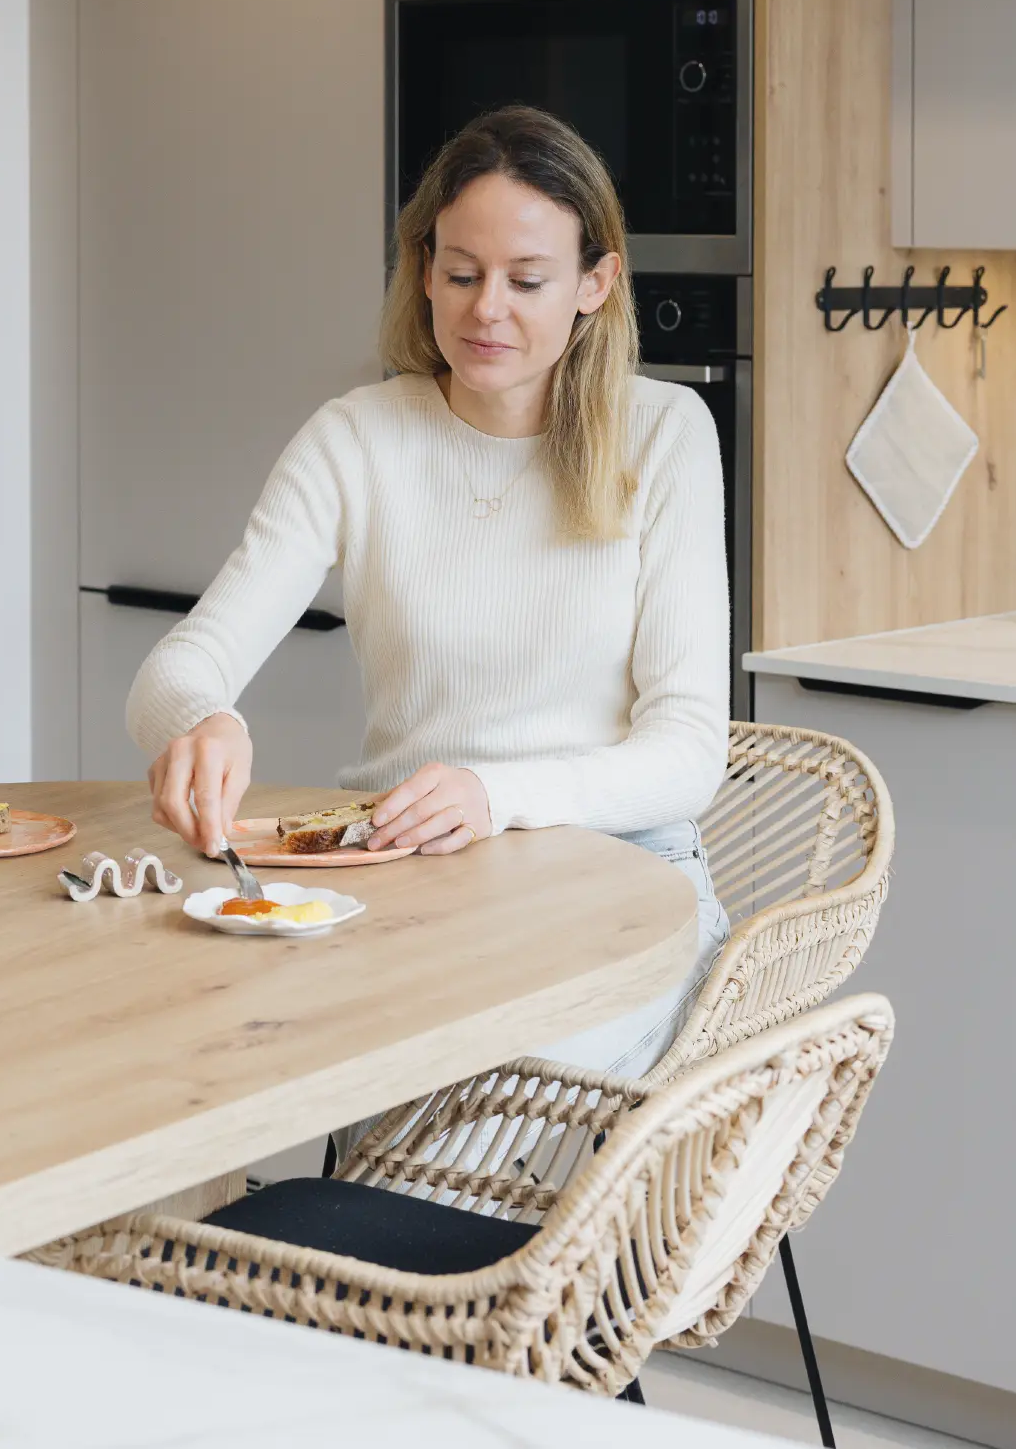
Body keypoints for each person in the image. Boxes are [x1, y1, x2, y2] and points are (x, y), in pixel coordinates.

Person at [128, 104, 729, 1081]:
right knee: (200, 1046)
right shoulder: (358, 438)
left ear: (594, 282)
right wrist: (201, 719)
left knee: (476, 1082)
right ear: (423, 270)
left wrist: (496, 795)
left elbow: (690, 754)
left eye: (527, 280)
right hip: (402, 886)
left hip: (621, 884)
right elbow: (182, 666)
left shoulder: (664, 436)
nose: (487, 309)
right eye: (460, 273)